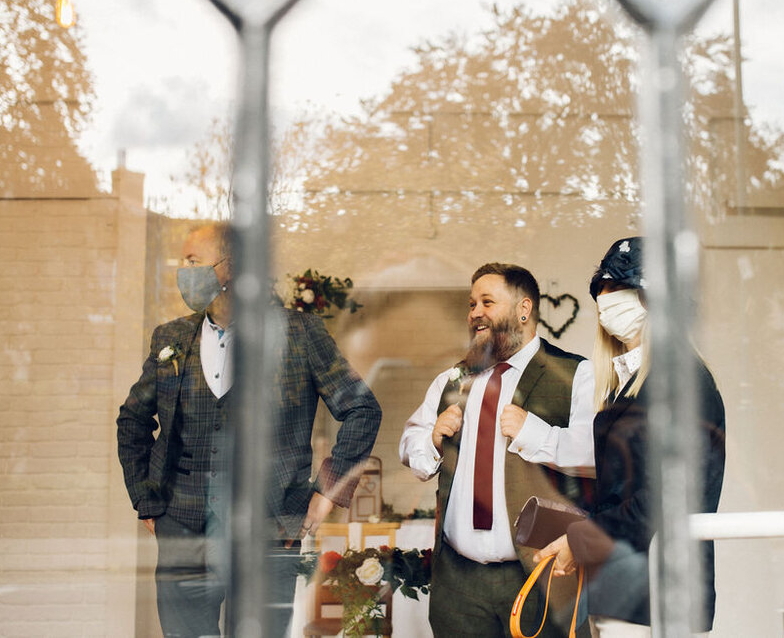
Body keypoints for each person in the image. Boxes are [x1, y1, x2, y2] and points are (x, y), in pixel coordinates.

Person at [116, 222, 382, 638]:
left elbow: (362, 409)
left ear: (231, 268)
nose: (184, 272)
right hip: (182, 530)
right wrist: (147, 499)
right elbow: (132, 420)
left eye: (192, 261)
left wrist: (325, 492)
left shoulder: (298, 333)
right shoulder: (171, 338)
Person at [535, 236, 726, 637]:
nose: (607, 299)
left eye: (620, 288)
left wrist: (582, 539)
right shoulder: (627, 383)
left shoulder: (683, 382)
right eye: (602, 289)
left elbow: (666, 499)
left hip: (661, 595)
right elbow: (623, 488)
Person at [400, 262, 597, 637]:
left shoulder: (577, 375)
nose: (475, 313)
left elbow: (595, 455)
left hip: (540, 577)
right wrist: (432, 440)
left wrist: (535, 433)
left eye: (487, 302)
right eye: (472, 304)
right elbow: (409, 447)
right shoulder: (452, 379)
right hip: (458, 584)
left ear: (524, 309)